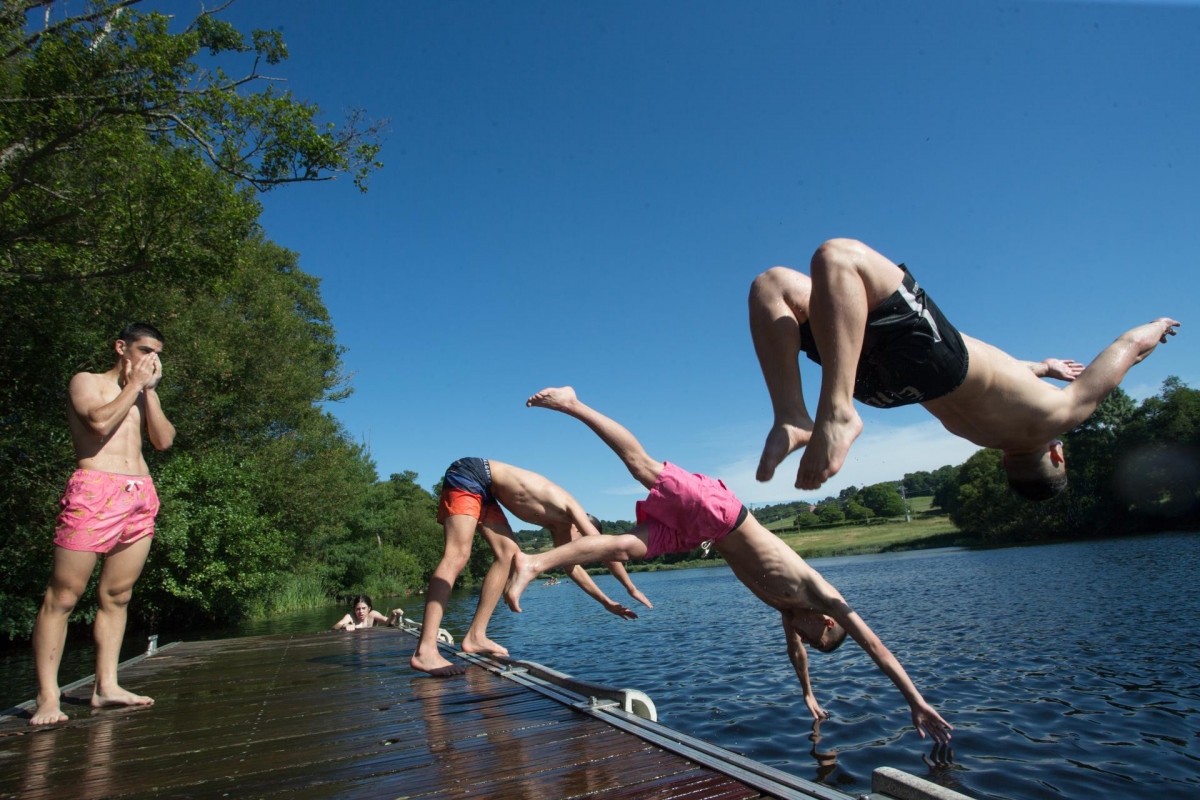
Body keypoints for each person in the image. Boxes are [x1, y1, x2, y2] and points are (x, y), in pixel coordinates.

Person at [507, 387, 952, 742]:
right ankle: (573, 403)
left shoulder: (789, 611)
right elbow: (878, 648)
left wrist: (808, 694)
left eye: (808, 641)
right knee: (641, 466)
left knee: (624, 548)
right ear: (828, 625)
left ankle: (534, 562)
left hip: (703, 534)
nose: (804, 640)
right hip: (722, 512)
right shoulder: (823, 598)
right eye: (815, 639)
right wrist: (915, 700)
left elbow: (794, 655)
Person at [749, 237, 1180, 498]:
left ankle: (821, 413)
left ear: (1057, 454)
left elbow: (1127, 349)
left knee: (836, 257)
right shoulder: (987, 433)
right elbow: (997, 382)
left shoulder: (1061, 414)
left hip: (934, 357)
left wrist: (1156, 327)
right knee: (778, 288)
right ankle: (798, 419)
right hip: (886, 388)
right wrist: (1042, 367)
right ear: (1007, 465)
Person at [30, 323, 176, 726]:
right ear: (121, 348)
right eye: (145, 349)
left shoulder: (145, 394)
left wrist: (148, 392)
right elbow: (97, 423)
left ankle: (106, 686)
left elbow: (163, 441)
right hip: (95, 489)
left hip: (140, 492)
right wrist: (133, 388)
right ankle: (47, 696)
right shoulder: (87, 381)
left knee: (119, 594)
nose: (152, 359)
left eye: (158, 353)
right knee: (63, 596)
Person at [410, 457, 653, 676]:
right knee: (457, 555)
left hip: (485, 490)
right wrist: (630, 587)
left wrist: (606, 601)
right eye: (584, 545)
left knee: (508, 554)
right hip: (472, 473)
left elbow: (572, 568)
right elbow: (608, 548)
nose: (581, 552)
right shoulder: (572, 509)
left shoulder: (560, 530)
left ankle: (476, 635)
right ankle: (426, 650)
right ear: (581, 530)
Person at [332, 595, 401, 631]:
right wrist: (345, 625)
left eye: (363, 608)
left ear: (369, 609)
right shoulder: (351, 616)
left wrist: (393, 615)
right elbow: (335, 627)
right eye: (358, 609)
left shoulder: (373, 614)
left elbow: (388, 622)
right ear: (354, 609)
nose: (361, 611)